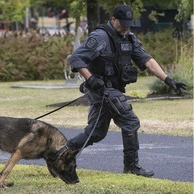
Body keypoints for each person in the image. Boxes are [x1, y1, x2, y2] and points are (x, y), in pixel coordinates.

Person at [65, 4, 186, 177]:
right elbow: (76, 58)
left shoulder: (129, 38)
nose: (126, 27)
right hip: (100, 89)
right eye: (122, 23)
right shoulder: (100, 37)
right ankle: (131, 166)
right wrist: (91, 79)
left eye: (128, 23)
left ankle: (61, 153)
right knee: (130, 121)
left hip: (112, 90)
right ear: (113, 19)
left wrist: (168, 80)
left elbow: (147, 60)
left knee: (96, 132)